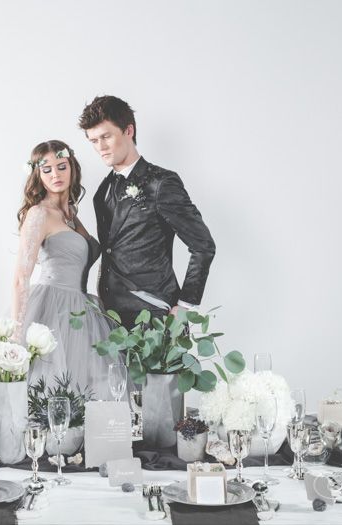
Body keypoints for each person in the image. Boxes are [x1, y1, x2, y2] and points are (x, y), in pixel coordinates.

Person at [78, 95, 215, 329]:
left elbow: (203, 246)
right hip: (110, 319)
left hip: (157, 317)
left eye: (106, 136)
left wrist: (185, 307)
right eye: (93, 140)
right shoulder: (101, 191)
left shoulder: (162, 183)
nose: (100, 147)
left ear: (128, 130)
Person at [11, 139, 111, 398]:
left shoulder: (71, 214)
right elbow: (21, 277)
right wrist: (16, 336)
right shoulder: (39, 214)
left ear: (72, 168)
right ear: (38, 175)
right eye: (47, 170)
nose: (55, 174)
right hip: (52, 307)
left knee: (83, 392)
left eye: (61, 166)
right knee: (52, 388)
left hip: (83, 310)